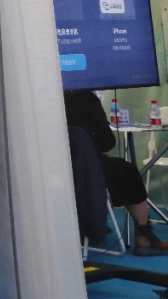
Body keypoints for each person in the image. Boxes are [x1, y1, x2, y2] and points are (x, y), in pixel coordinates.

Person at [64, 90, 168, 256]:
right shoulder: (86, 98)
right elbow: (107, 143)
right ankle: (144, 238)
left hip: (53, 173)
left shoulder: (40, 98)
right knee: (128, 171)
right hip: (87, 171)